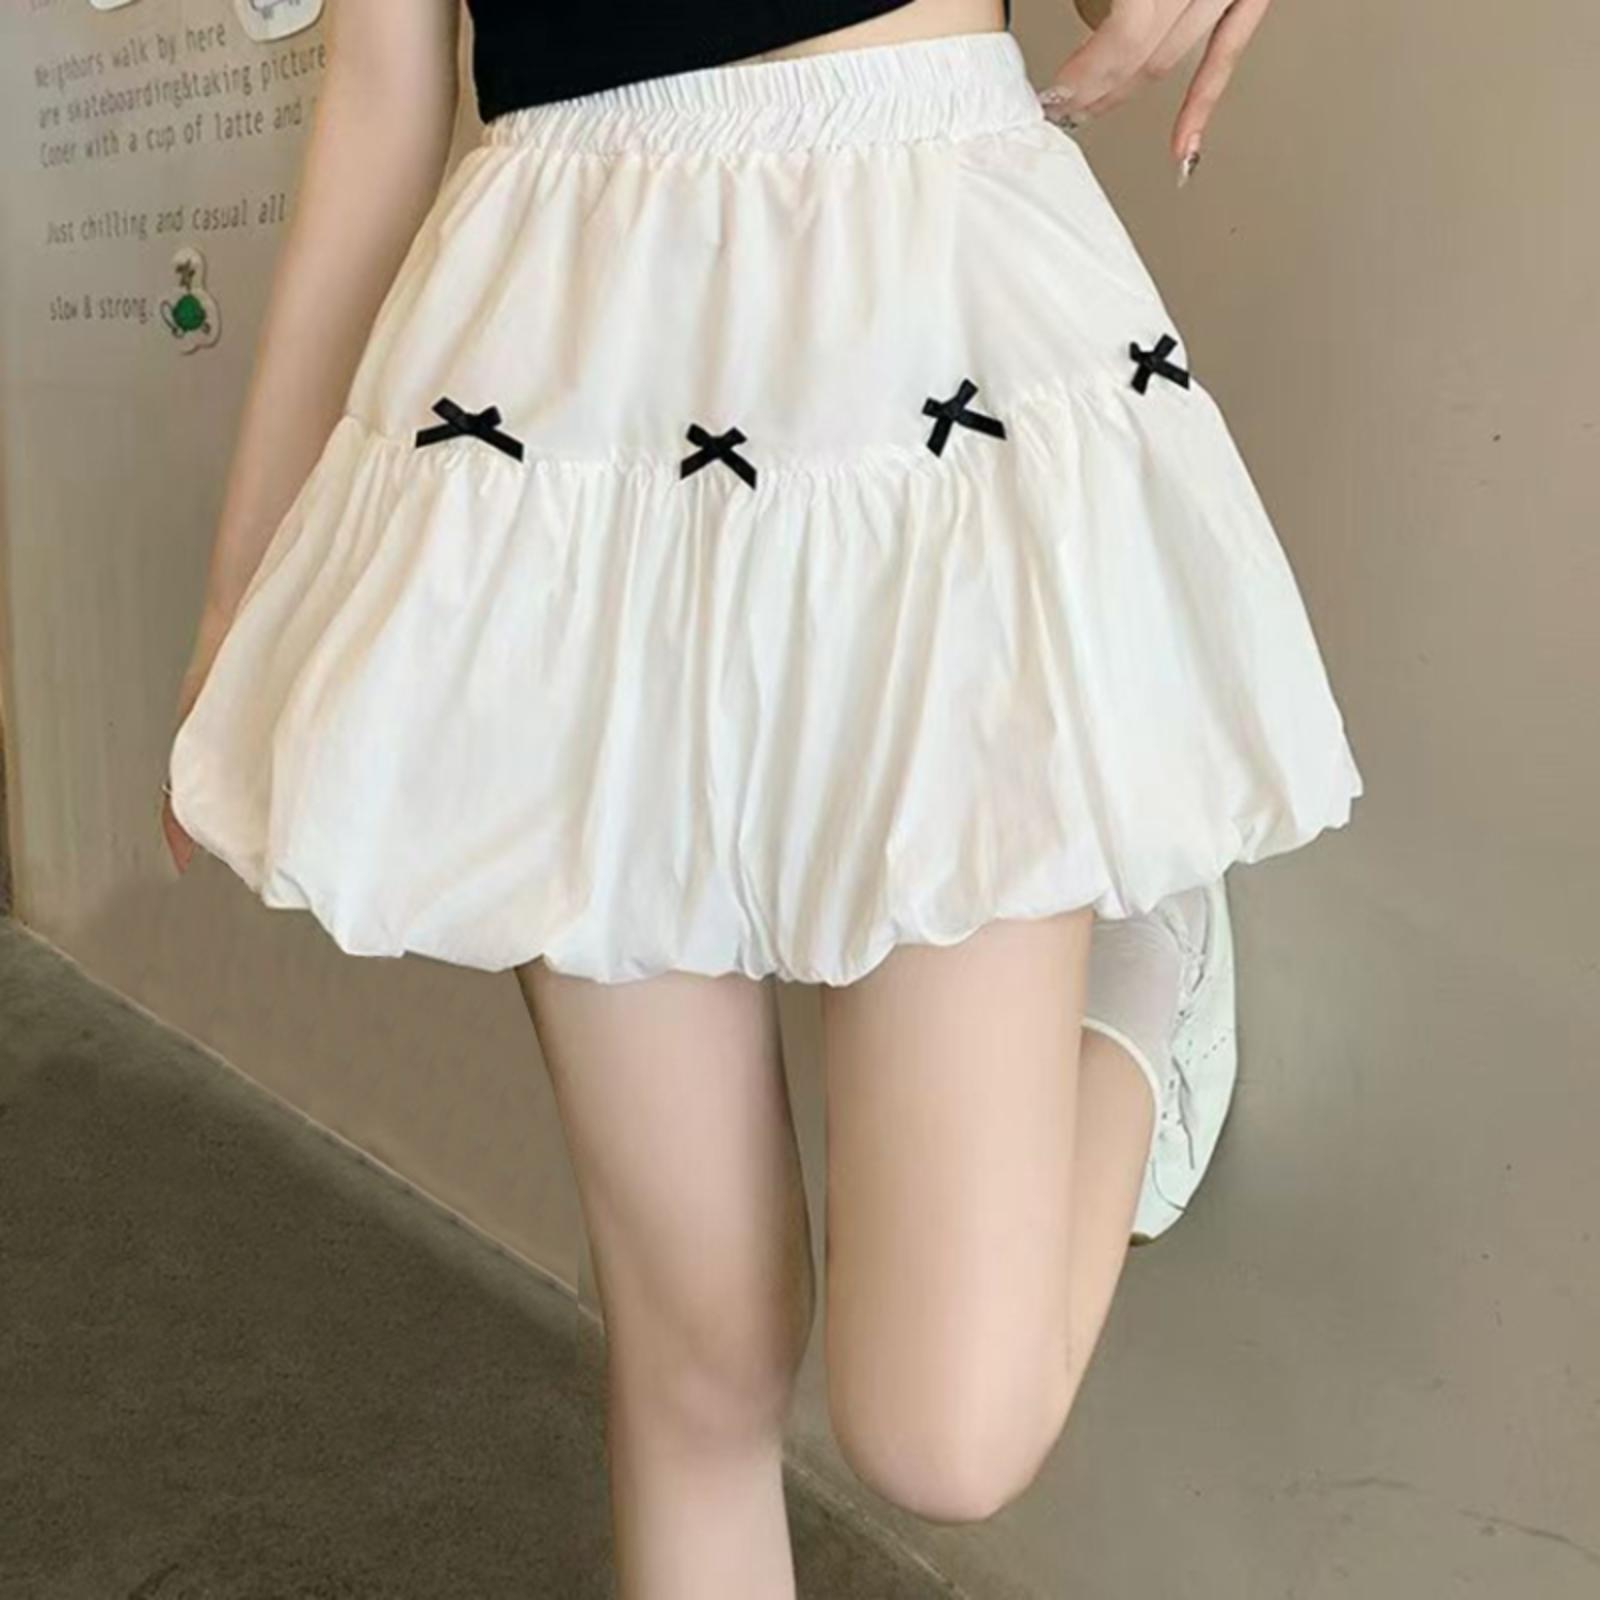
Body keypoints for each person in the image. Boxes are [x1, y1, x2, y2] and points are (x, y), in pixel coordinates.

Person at [161, 0, 1359, 1592]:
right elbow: (384, 92)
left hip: (922, 312)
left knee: (946, 1431)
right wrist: (238, 597)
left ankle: (1150, 959)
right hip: (563, 394)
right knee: (700, 1359)